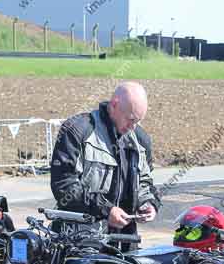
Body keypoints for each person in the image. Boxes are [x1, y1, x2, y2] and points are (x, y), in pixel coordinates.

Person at [50, 81, 161, 245]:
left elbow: (145, 181)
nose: (133, 127)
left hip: (124, 240)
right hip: (80, 239)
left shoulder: (141, 140)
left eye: (138, 121)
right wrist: (106, 210)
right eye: (130, 119)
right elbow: (64, 186)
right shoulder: (77, 130)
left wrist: (149, 203)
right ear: (114, 104)